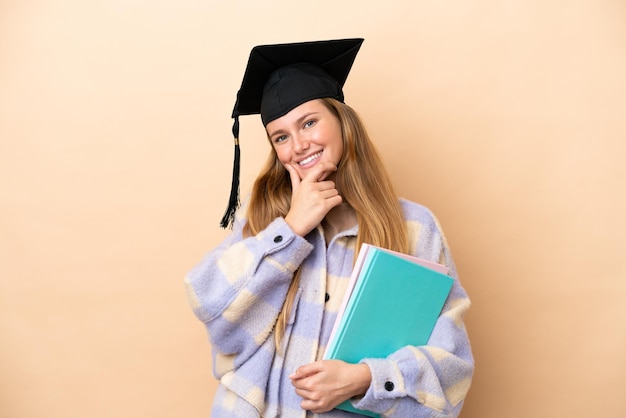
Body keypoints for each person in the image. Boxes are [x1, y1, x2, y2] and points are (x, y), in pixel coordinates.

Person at [185, 38, 474, 418]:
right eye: (281, 137)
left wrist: (366, 378)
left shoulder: (413, 228)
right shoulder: (261, 224)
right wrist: (290, 231)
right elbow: (214, 312)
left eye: (309, 122)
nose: (299, 145)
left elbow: (452, 367)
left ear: (341, 121)